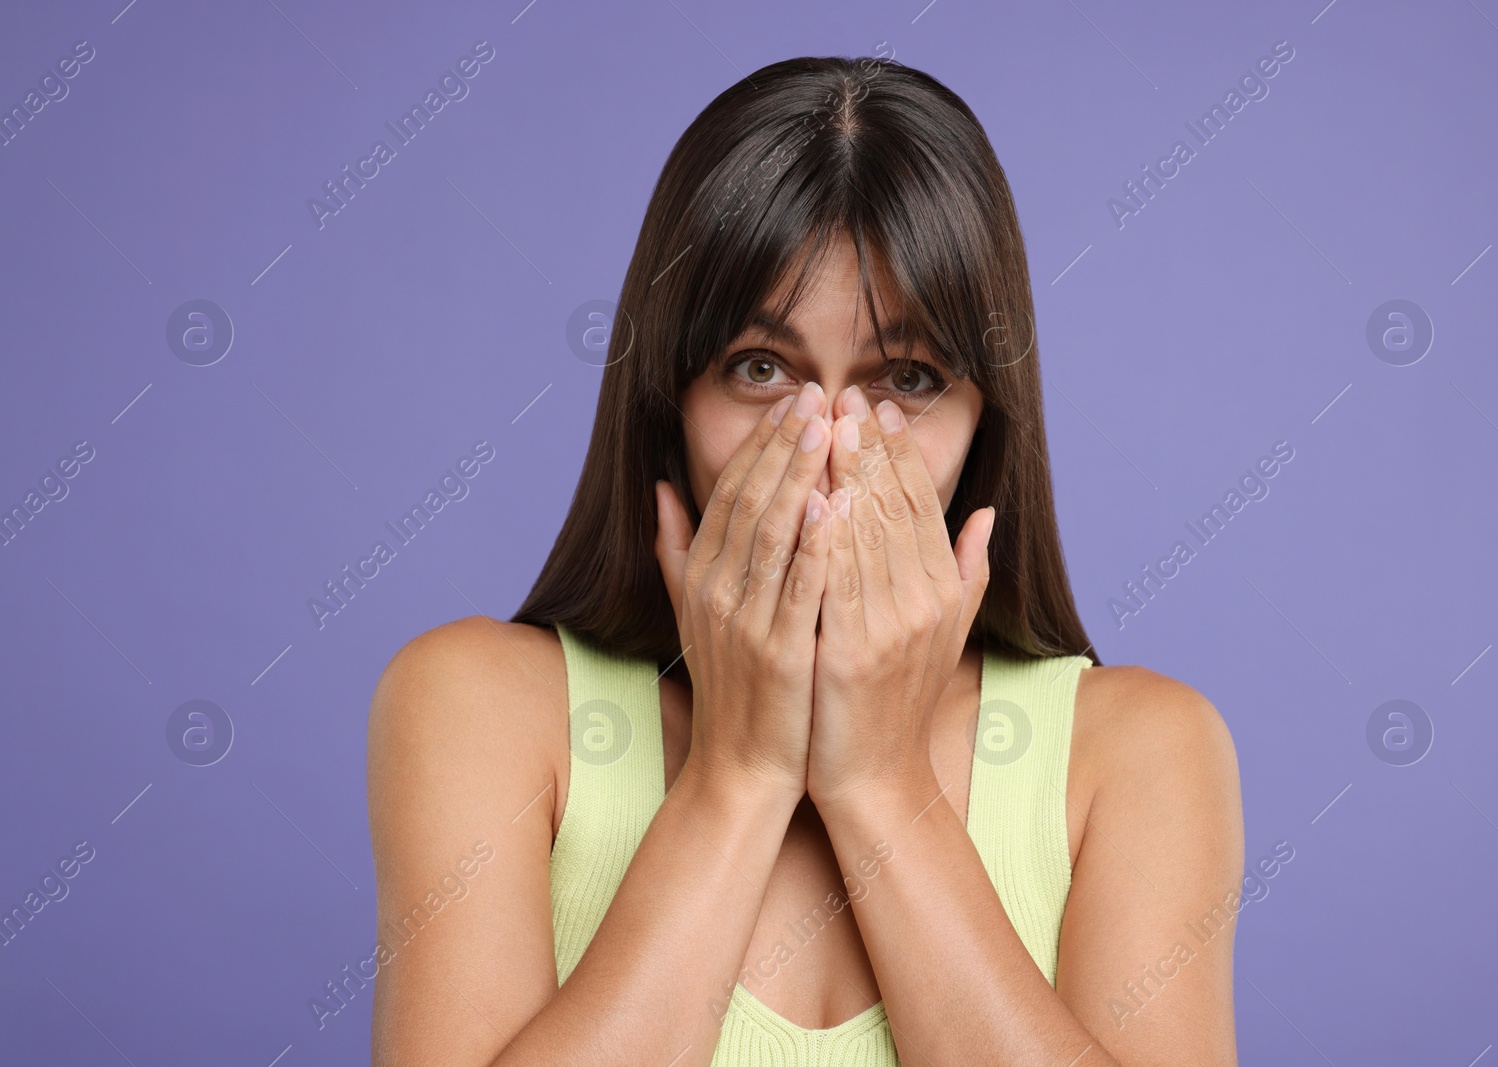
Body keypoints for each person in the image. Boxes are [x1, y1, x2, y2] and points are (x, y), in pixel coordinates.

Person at [367, 54, 1243, 1066]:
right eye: (759, 368)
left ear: (985, 422)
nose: (828, 447)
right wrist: (738, 771)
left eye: (906, 379)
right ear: (666, 402)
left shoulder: (1141, 754)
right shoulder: (475, 705)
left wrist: (876, 778)